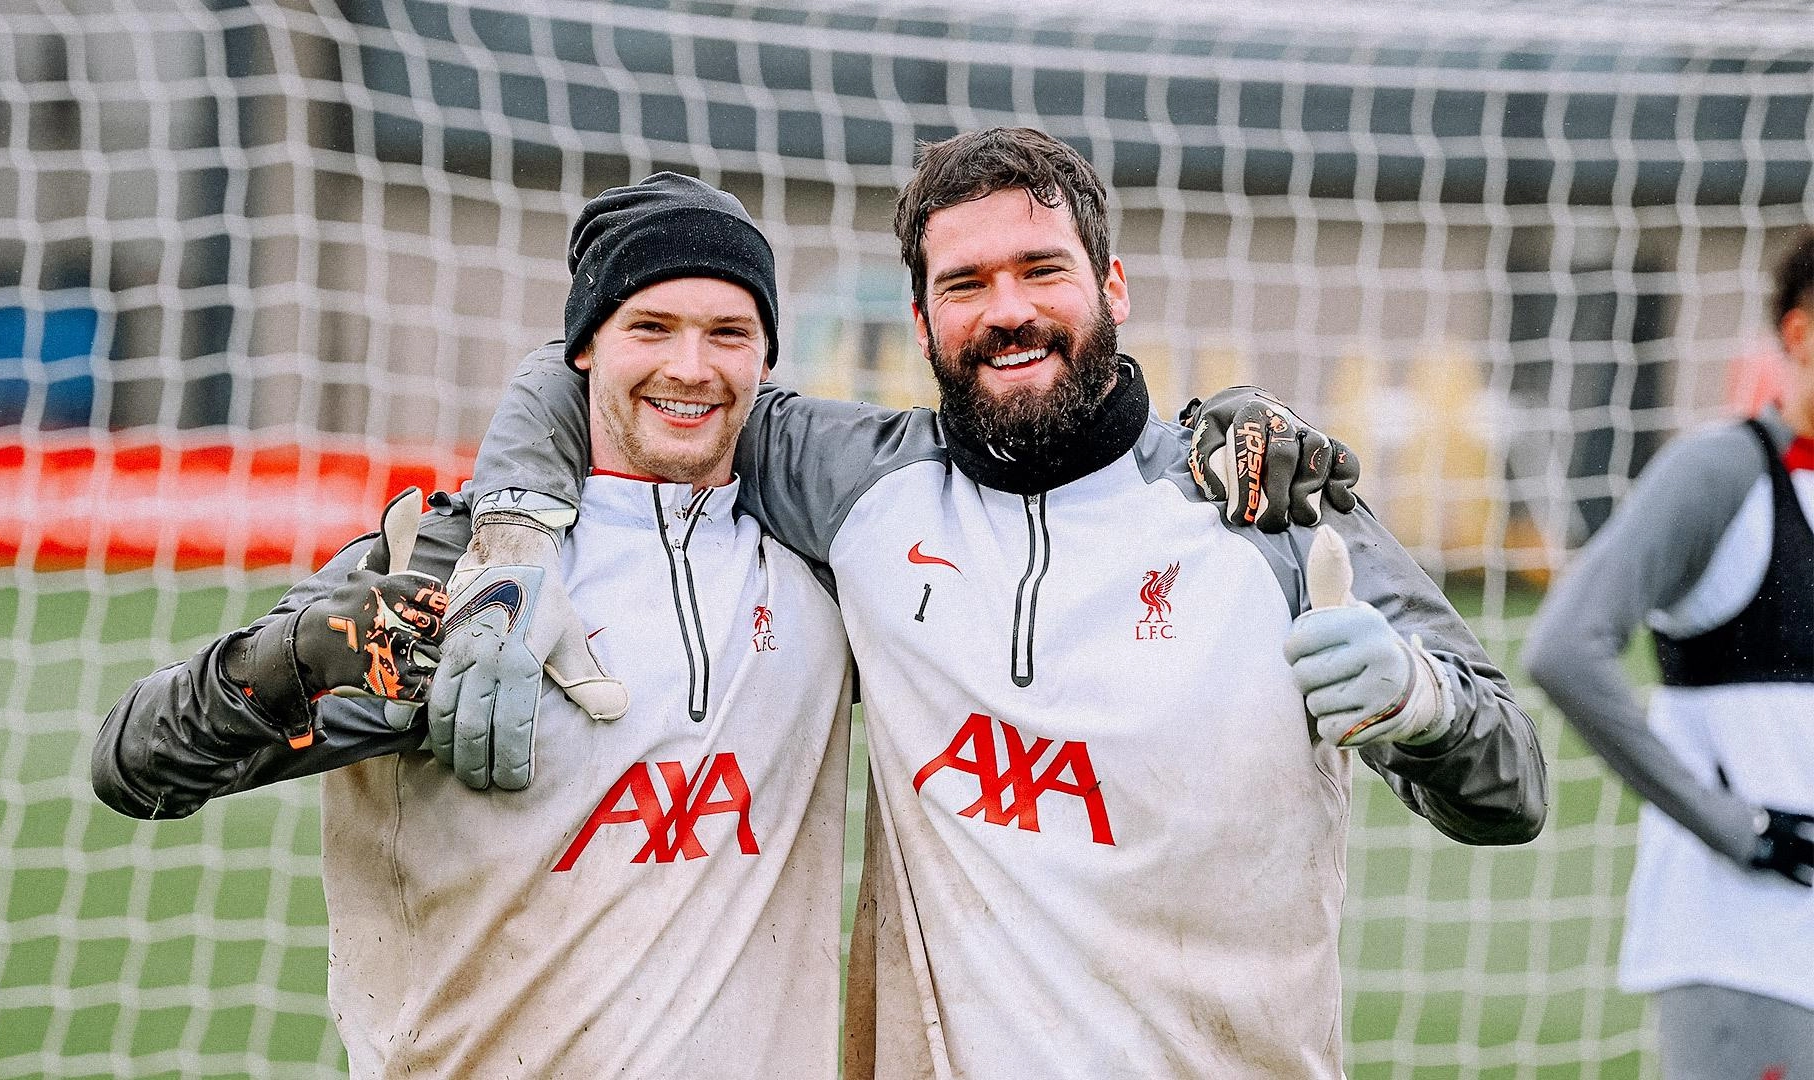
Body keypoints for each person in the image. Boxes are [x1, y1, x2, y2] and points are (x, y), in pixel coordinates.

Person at [438, 127, 1548, 1078]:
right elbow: (627, 356)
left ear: (1112, 289)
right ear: (920, 322)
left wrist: (1421, 704)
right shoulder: (852, 480)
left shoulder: (1265, 499)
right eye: (965, 286)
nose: (1008, 311)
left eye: (1041, 270)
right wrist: (517, 533)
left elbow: (1512, 787)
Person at [91, 172, 858, 1078]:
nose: (691, 367)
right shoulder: (444, 569)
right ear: (582, 348)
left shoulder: (824, 573)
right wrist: (290, 658)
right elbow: (134, 764)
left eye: (727, 333)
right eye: (650, 327)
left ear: (766, 359)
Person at [1524, 231, 1814, 1078]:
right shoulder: (1722, 472)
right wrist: (1735, 827)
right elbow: (1565, 648)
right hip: (1744, 952)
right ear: (1797, 335)